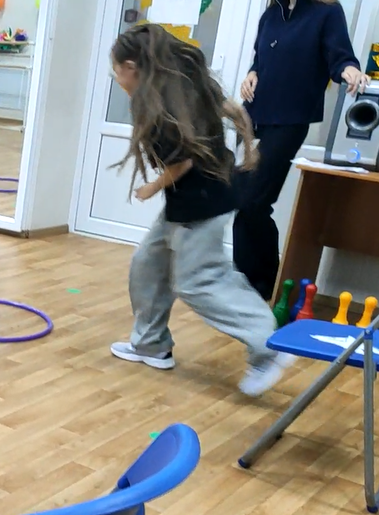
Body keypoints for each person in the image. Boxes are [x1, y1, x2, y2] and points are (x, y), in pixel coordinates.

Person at [107, 23, 292, 397]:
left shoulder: (161, 110)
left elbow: (182, 163)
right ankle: (151, 344)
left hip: (203, 205)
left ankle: (267, 345)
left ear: (131, 67)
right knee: (148, 264)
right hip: (192, 200)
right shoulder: (178, 91)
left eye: (116, 71)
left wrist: (151, 187)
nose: (116, 79)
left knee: (199, 281)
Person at [234, 0, 369, 301]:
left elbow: (340, 58)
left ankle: (265, 283)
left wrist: (351, 71)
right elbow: (261, 58)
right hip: (252, 116)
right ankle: (242, 281)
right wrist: (251, 74)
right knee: (241, 200)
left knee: (255, 201)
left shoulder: (327, 11)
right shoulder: (272, 13)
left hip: (290, 121)